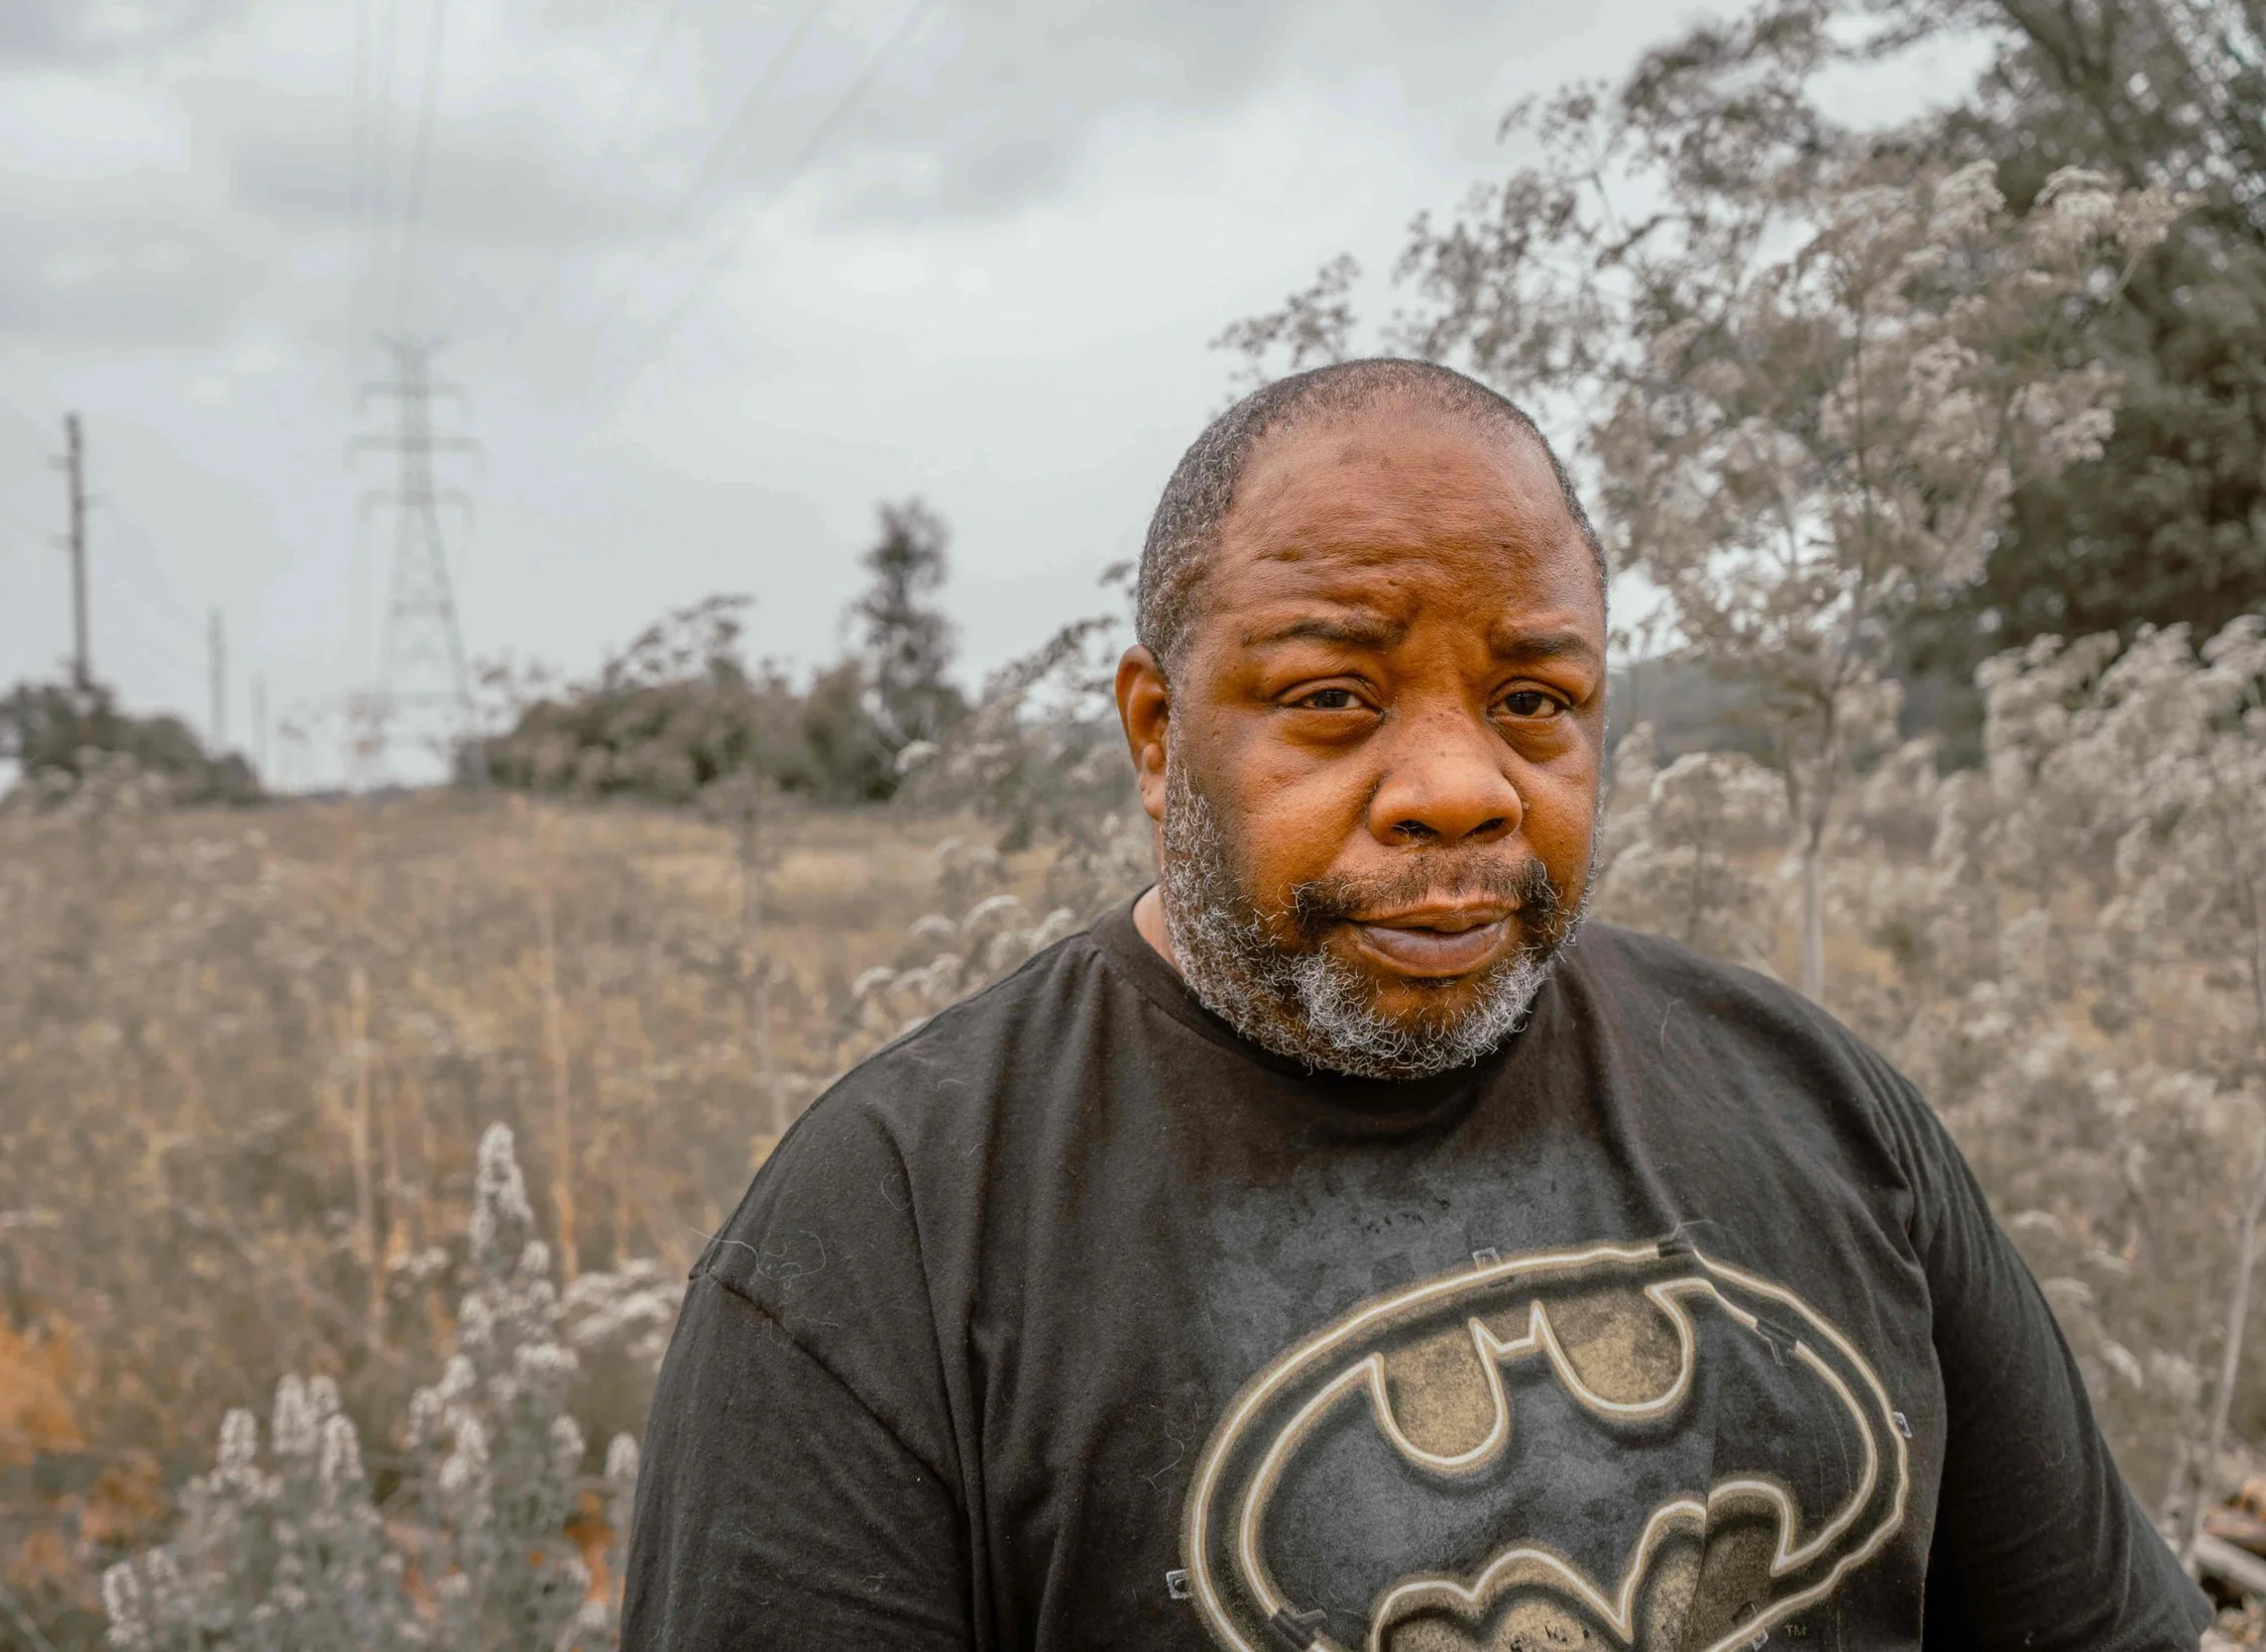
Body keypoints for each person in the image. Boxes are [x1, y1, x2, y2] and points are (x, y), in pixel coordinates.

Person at [620, 360, 2209, 1651]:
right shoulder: (887, 1235)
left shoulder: (1819, 1105)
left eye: (1534, 701)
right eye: (1333, 698)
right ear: (1160, 733)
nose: (1460, 790)